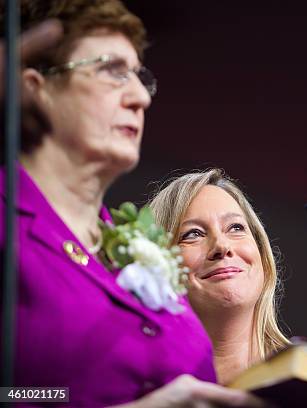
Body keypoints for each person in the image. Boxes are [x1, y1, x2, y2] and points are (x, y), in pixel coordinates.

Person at [0, 1, 263, 406]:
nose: (140, 96)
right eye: (111, 70)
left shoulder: (140, 253)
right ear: (37, 86)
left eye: (140, 76)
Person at [149, 169, 291, 385]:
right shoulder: (137, 396)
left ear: (261, 253)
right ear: (156, 265)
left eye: (235, 227)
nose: (222, 246)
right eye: (193, 234)